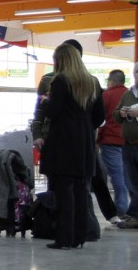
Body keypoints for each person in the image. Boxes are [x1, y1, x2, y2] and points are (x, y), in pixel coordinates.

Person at [39, 44, 105, 249]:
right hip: (85, 142)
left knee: (63, 192)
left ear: (61, 60)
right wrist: (84, 127)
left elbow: (53, 111)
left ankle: (64, 238)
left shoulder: (61, 81)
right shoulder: (93, 82)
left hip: (63, 142)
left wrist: (44, 102)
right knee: (81, 191)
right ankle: (79, 237)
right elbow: (100, 117)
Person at [99, 69, 130, 221]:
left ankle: (122, 210)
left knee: (118, 177)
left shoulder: (106, 95)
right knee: (129, 176)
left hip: (110, 141)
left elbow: (99, 118)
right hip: (129, 141)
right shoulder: (130, 96)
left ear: (111, 81)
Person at [113, 62, 138, 229]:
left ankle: (135, 215)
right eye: (136, 71)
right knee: (131, 182)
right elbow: (115, 115)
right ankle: (134, 215)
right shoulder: (128, 94)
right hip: (128, 145)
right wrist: (120, 113)